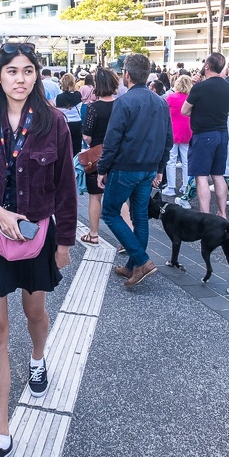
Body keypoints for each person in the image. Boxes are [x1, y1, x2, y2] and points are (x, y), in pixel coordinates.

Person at [0, 42, 76, 457]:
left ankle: (39, 357)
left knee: (35, 312)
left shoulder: (55, 123)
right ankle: (1, 436)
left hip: (39, 235)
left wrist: (64, 241)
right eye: (12, 71)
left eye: (28, 70)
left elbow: (66, 187)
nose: (21, 78)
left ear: (36, 75)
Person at [97, 54, 172, 286]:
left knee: (110, 212)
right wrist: (160, 168)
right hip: (149, 167)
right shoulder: (160, 101)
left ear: (126, 75)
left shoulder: (124, 102)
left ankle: (141, 260)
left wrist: (102, 168)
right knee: (139, 216)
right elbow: (167, 139)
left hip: (125, 166)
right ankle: (132, 266)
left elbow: (112, 140)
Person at [181, 52, 229, 218]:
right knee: (218, 174)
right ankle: (222, 213)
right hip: (222, 133)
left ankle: (206, 215)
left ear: (207, 66)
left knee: (201, 176)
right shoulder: (227, 87)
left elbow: (185, 110)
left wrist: (198, 111)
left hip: (204, 135)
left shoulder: (200, 87)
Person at [80, 67, 126, 246]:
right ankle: (126, 238)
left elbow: (87, 135)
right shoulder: (121, 105)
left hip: (97, 156)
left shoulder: (93, 108)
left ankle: (94, 234)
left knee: (95, 196)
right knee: (120, 198)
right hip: (118, 155)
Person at [164, 74, 193, 198]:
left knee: (171, 160)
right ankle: (185, 186)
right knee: (186, 161)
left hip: (173, 131)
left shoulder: (170, 97)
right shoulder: (191, 99)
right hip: (188, 131)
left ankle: (171, 187)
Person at [55, 73, 83, 155]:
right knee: (77, 149)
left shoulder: (59, 97)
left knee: (64, 149)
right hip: (77, 122)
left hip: (64, 123)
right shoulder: (78, 95)